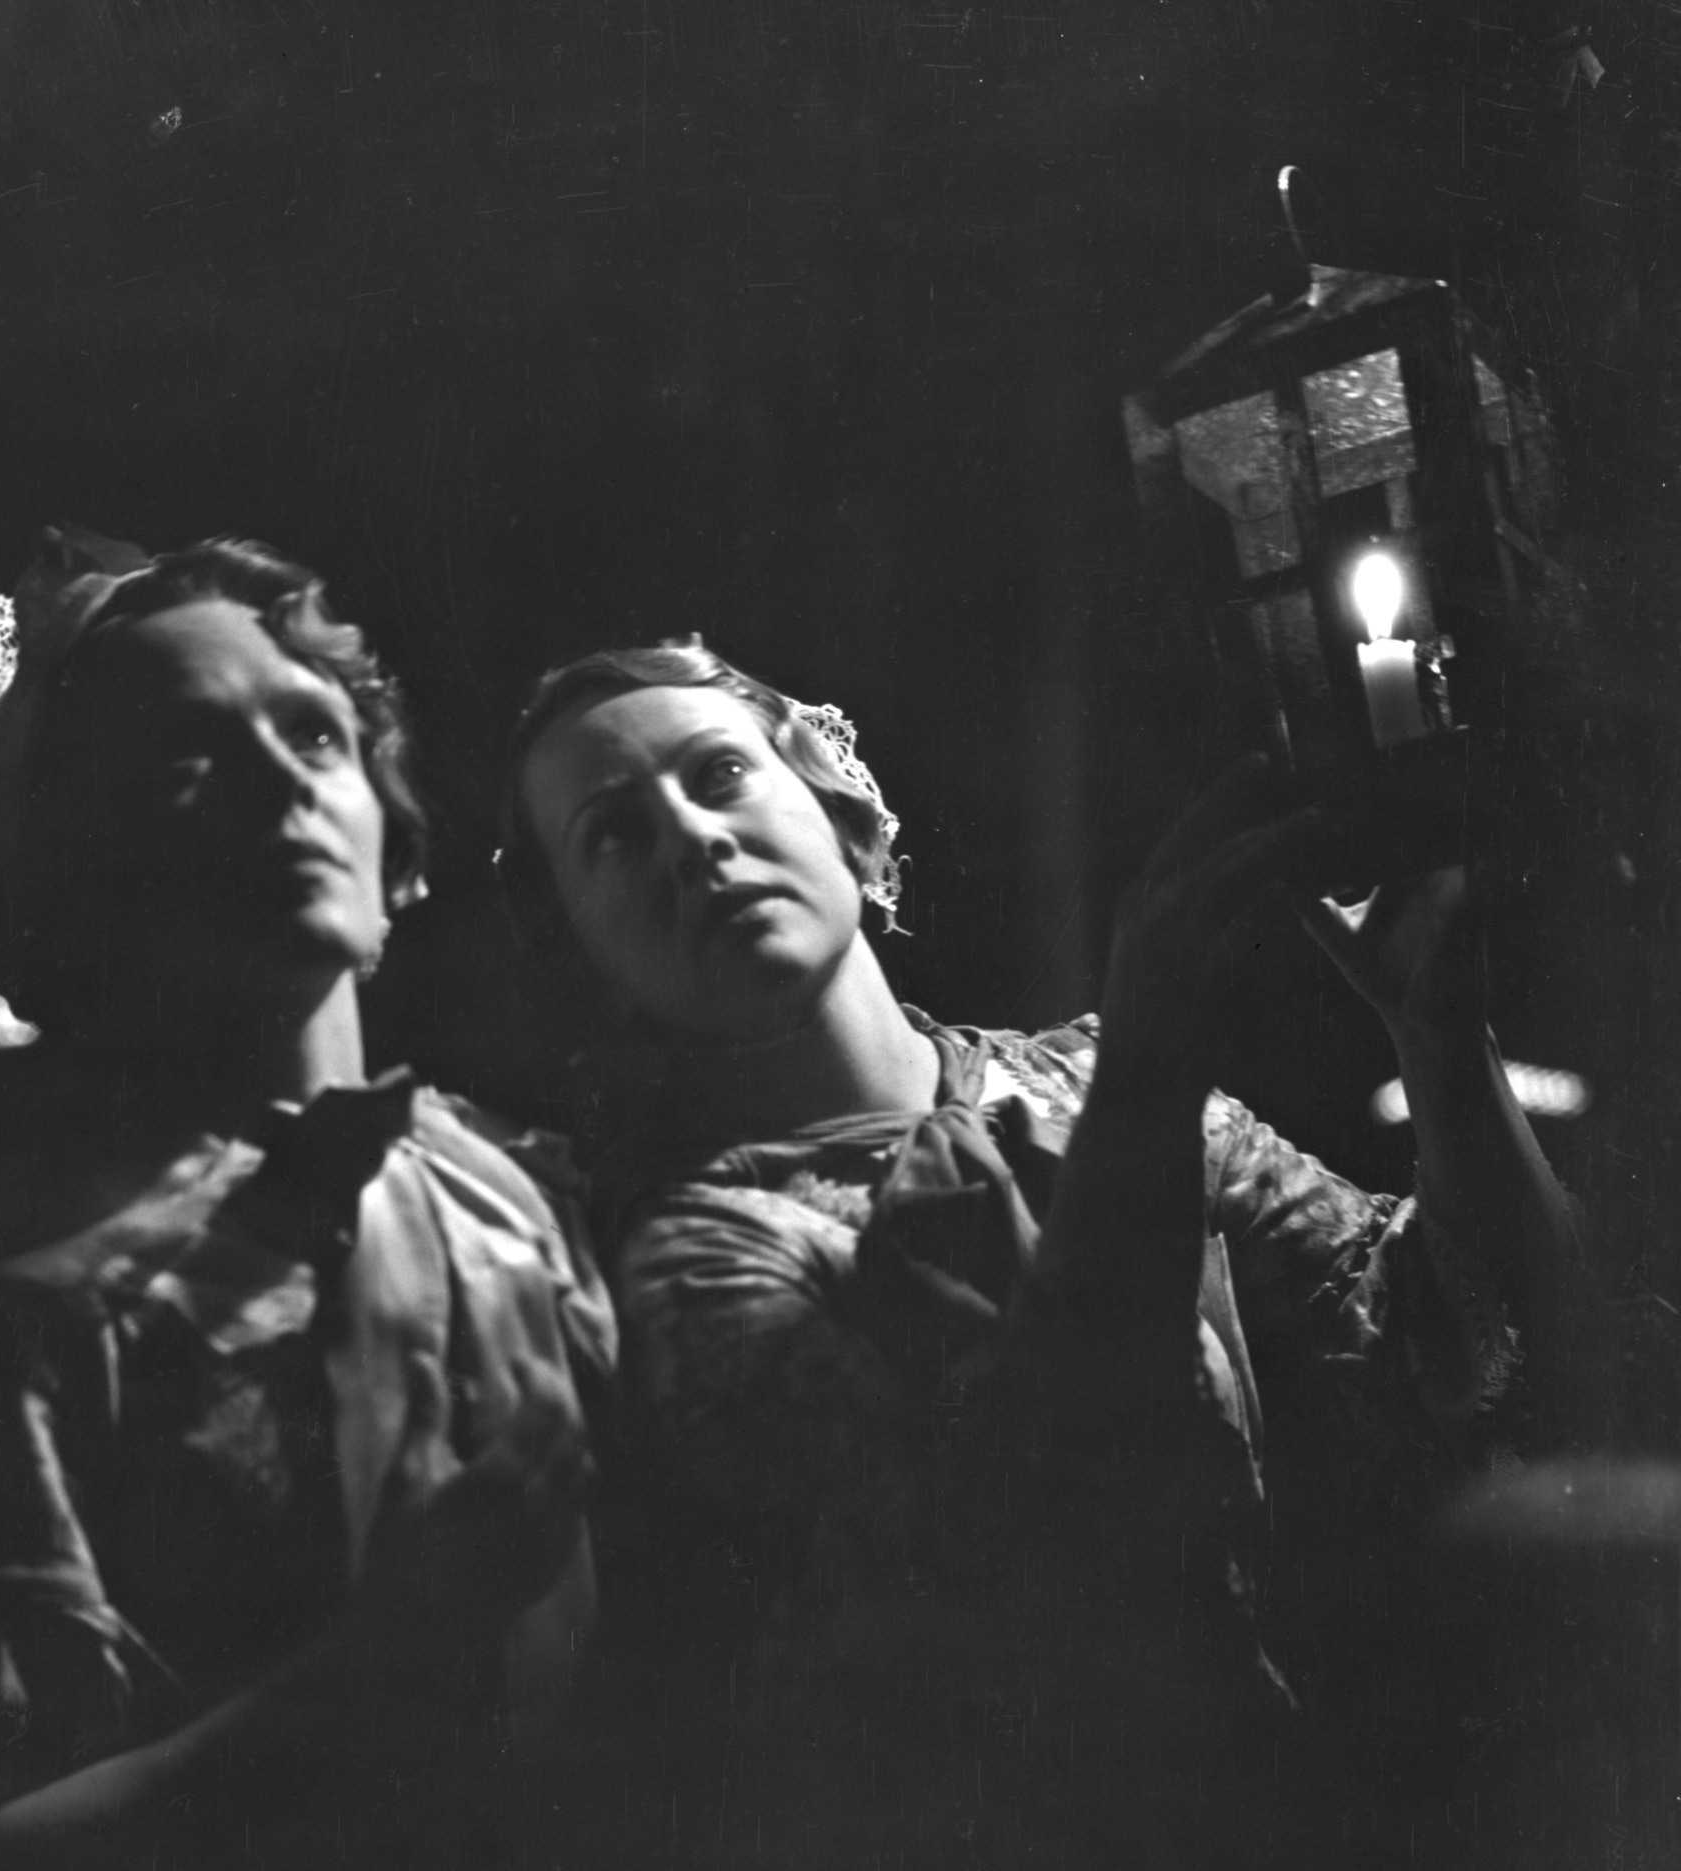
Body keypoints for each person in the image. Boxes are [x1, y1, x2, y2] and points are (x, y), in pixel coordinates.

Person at [494, 639, 1596, 1867]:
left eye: (718, 773)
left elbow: (1472, 1343)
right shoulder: (685, 1260)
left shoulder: (1066, 1080)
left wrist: (1436, 1031)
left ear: (827, 798)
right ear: (581, 953)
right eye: (610, 836)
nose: (690, 839)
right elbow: (1034, 1554)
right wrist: (1148, 1055)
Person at [0, 532, 615, 1871]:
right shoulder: (26, 1319)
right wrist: (373, 1673)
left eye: (317, 735)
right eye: (183, 753)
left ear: (397, 841)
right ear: (76, 866)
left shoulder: (526, 1194)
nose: (279, 780)